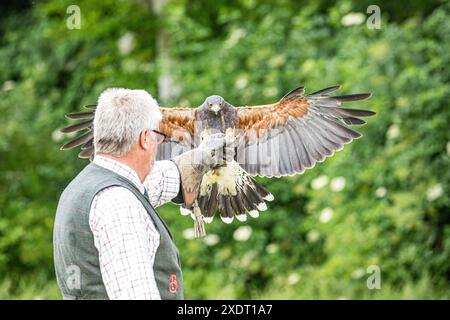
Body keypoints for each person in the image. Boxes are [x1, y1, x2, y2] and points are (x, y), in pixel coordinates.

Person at [53, 88, 229, 299]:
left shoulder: (87, 188)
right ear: (145, 138)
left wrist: (202, 156)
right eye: (158, 136)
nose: (159, 144)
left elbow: (152, 184)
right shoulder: (119, 204)